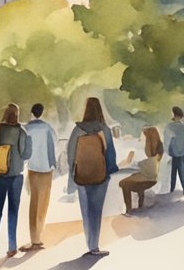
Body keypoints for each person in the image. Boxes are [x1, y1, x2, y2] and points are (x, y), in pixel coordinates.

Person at [68, 97, 118, 258]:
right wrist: (109, 172)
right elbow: (110, 154)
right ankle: (94, 246)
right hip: (100, 175)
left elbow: (70, 155)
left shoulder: (77, 130)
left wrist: (72, 175)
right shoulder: (104, 129)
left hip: (82, 175)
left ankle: (89, 243)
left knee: (86, 211)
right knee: (96, 211)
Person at [0, 104, 32, 259]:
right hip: (15, 177)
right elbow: (26, 154)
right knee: (13, 212)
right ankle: (12, 246)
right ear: (17, 114)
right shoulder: (21, 131)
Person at [21, 103, 57, 252]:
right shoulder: (48, 128)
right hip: (47, 169)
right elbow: (54, 146)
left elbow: (24, 149)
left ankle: (34, 238)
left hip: (33, 168)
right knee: (44, 203)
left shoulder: (27, 128)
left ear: (31, 112)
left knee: (34, 202)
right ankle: (38, 236)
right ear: (43, 113)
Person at [119, 127, 163, 214]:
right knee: (134, 177)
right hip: (152, 178)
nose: (141, 137)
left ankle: (129, 210)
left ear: (147, 137)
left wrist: (118, 166)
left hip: (146, 178)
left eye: (143, 135)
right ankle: (140, 205)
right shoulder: (157, 149)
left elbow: (130, 162)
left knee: (124, 183)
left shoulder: (144, 149)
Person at [163, 106, 184, 198]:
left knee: (173, 172)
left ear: (174, 115)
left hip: (173, 151)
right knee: (182, 172)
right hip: (182, 152)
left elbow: (166, 138)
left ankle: (172, 190)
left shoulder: (170, 126)